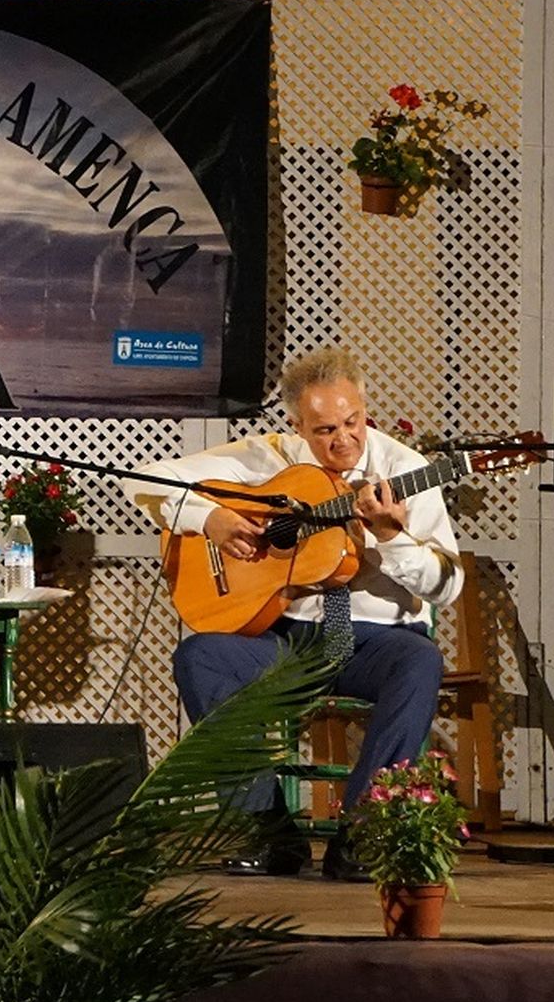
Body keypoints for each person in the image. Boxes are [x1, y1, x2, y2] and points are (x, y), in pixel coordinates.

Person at [124, 346, 462, 880]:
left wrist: (393, 537)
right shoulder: (270, 457)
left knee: (420, 662)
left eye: (352, 422)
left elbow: (449, 586)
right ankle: (269, 831)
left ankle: (362, 833)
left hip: (370, 640)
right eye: (325, 429)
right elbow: (140, 478)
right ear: (297, 424)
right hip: (287, 636)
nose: (343, 439)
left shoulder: (406, 470)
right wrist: (208, 518)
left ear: (364, 408)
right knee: (201, 656)